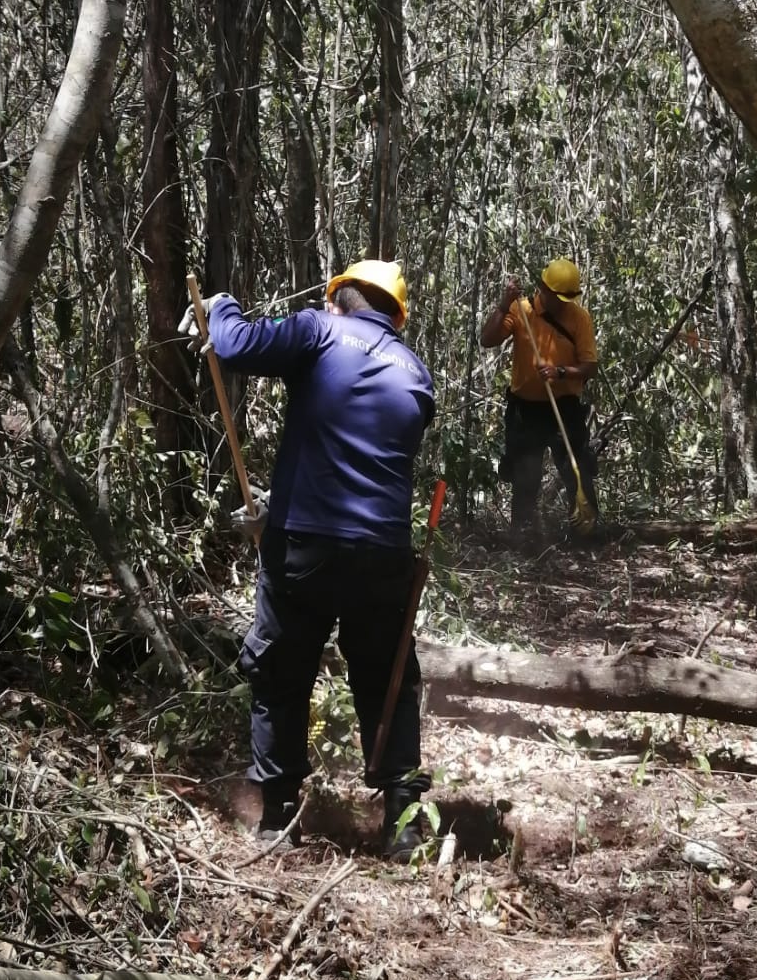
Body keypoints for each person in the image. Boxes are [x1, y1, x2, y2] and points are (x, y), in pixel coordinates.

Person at [179, 260, 435, 860]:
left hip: (306, 549)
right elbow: (360, 456)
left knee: (283, 671)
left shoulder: (320, 329)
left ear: (340, 298)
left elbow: (235, 345)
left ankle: (278, 818)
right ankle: (403, 825)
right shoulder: (416, 373)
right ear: (394, 316)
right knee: (387, 677)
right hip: (384, 555)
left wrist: (221, 305)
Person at [480, 257, 600, 543]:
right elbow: (487, 339)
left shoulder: (579, 317)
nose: (563, 304)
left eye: (567, 298)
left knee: (577, 471)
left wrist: (560, 372)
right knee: (525, 476)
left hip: (565, 409)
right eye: (558, 297)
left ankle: (587, 534)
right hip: (526, 411)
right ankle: (523, 539)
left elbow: (589, 366)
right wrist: (503, 305)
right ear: (543, 288)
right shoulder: (521, 310)